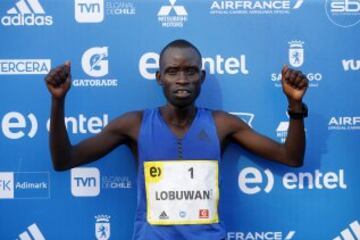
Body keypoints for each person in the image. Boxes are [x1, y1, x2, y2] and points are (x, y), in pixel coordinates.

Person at [45, 39, 308, 240]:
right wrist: (58, 100)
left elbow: (291, 157)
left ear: (201, 77)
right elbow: (64, 159)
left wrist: (295, 105)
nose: (182, 79)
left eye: (191, 71)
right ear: (159, 78)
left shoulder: (221, 124)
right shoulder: (134, 125)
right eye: (172, 71)